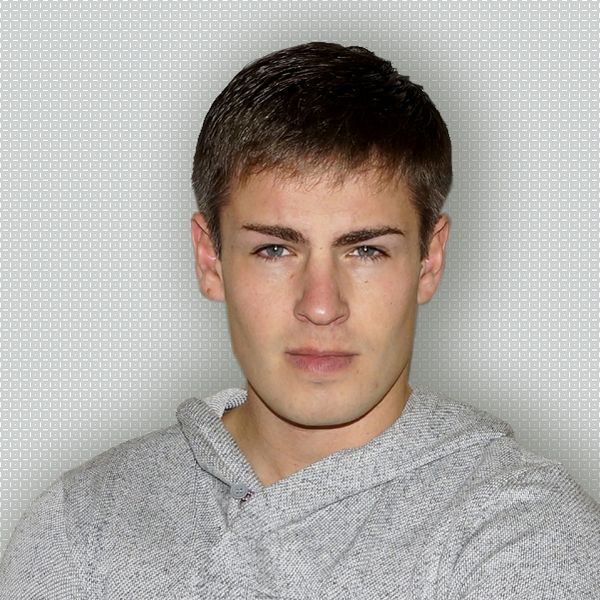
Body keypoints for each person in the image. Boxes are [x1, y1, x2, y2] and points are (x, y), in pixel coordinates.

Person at [1, 42, 599, 599]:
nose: (320, 305)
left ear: (429, 261)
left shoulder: (526, 537)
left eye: (366, 251)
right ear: (210, 260)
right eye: (274, 250)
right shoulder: (80, 531)